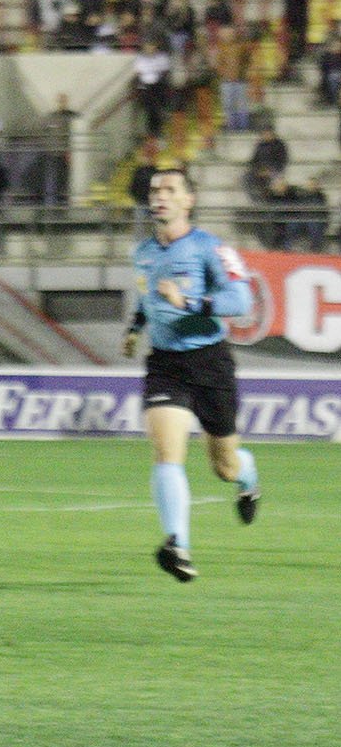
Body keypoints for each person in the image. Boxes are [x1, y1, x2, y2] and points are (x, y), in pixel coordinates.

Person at [123, 170, 261, 583]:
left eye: (170, 190)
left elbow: (241, 299)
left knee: (225, 466)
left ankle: (248, 479)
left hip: (210, 362)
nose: (160, 197)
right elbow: (148, 298)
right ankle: (177, 545)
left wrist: (188, 301)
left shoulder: (210, 248)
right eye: (154, 190)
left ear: (189, 200)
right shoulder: (143, 252)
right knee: (167, 452)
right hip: (166, 364)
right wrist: (134, 328)